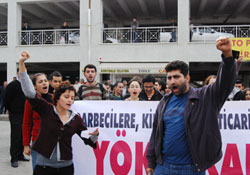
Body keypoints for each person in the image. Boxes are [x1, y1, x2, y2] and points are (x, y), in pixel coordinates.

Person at [146, 37, 237, 175]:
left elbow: (225, 83)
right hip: (163, 166)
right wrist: (151, 162)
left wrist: (228, 56)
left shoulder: (205, 97)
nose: (172, 81)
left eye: (176, 77)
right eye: (169, 78)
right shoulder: (164, 102)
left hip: (192, 169)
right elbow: (156, 134)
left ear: (187, 78)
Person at [19, 51, 99, 175]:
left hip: (66, 167)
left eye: (72, 98)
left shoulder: (75, 119)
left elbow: (88, 139)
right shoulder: (47, 110)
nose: (70, 100)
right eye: (66, 96)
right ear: (57, 97)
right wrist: (22, 63)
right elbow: (29, 91)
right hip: (43, 166)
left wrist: (94, 135)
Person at [22, 73, 53, 171]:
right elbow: (26, 124)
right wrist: (26, 145)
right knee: (38, 170)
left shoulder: (55, 98)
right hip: (38, 142)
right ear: (34, 86)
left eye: (45, 81)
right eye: (40, 82)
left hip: (54, 141)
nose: (44, 83)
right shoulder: (30, 101)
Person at [3, 69, 29, 168]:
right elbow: (6, 99)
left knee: (24, 135)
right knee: (16, 136)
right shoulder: (12, 85)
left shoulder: (27, 84)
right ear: (18, 74)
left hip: (26, 114)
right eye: (21, 72)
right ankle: (14, 158)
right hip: (16, 114)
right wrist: (10, 110)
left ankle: (20, 155)